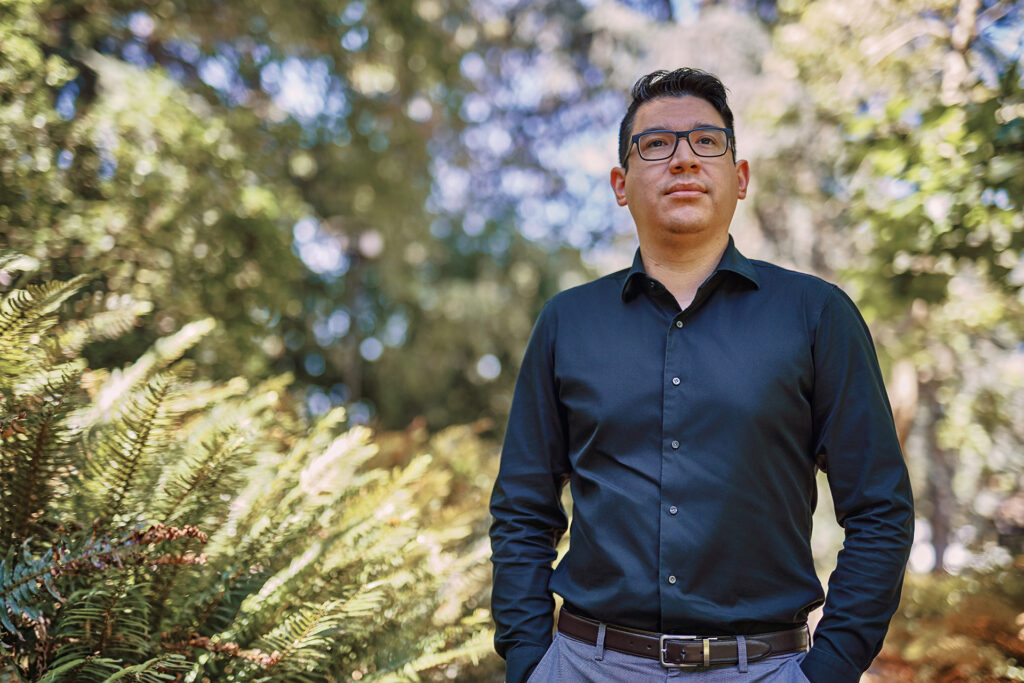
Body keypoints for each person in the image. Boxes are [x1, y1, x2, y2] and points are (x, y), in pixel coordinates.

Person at [488, 68, 914, 683]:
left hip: (766, 670)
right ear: (620, 183)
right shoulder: (566, 323)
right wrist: (529, 659)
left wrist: (829, 669)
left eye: (706, 142)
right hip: (585, 666)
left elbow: (879, 508)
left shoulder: (818, 315)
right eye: (656, 144)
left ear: (739, 179)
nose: (683, 159)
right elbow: (523, 509)